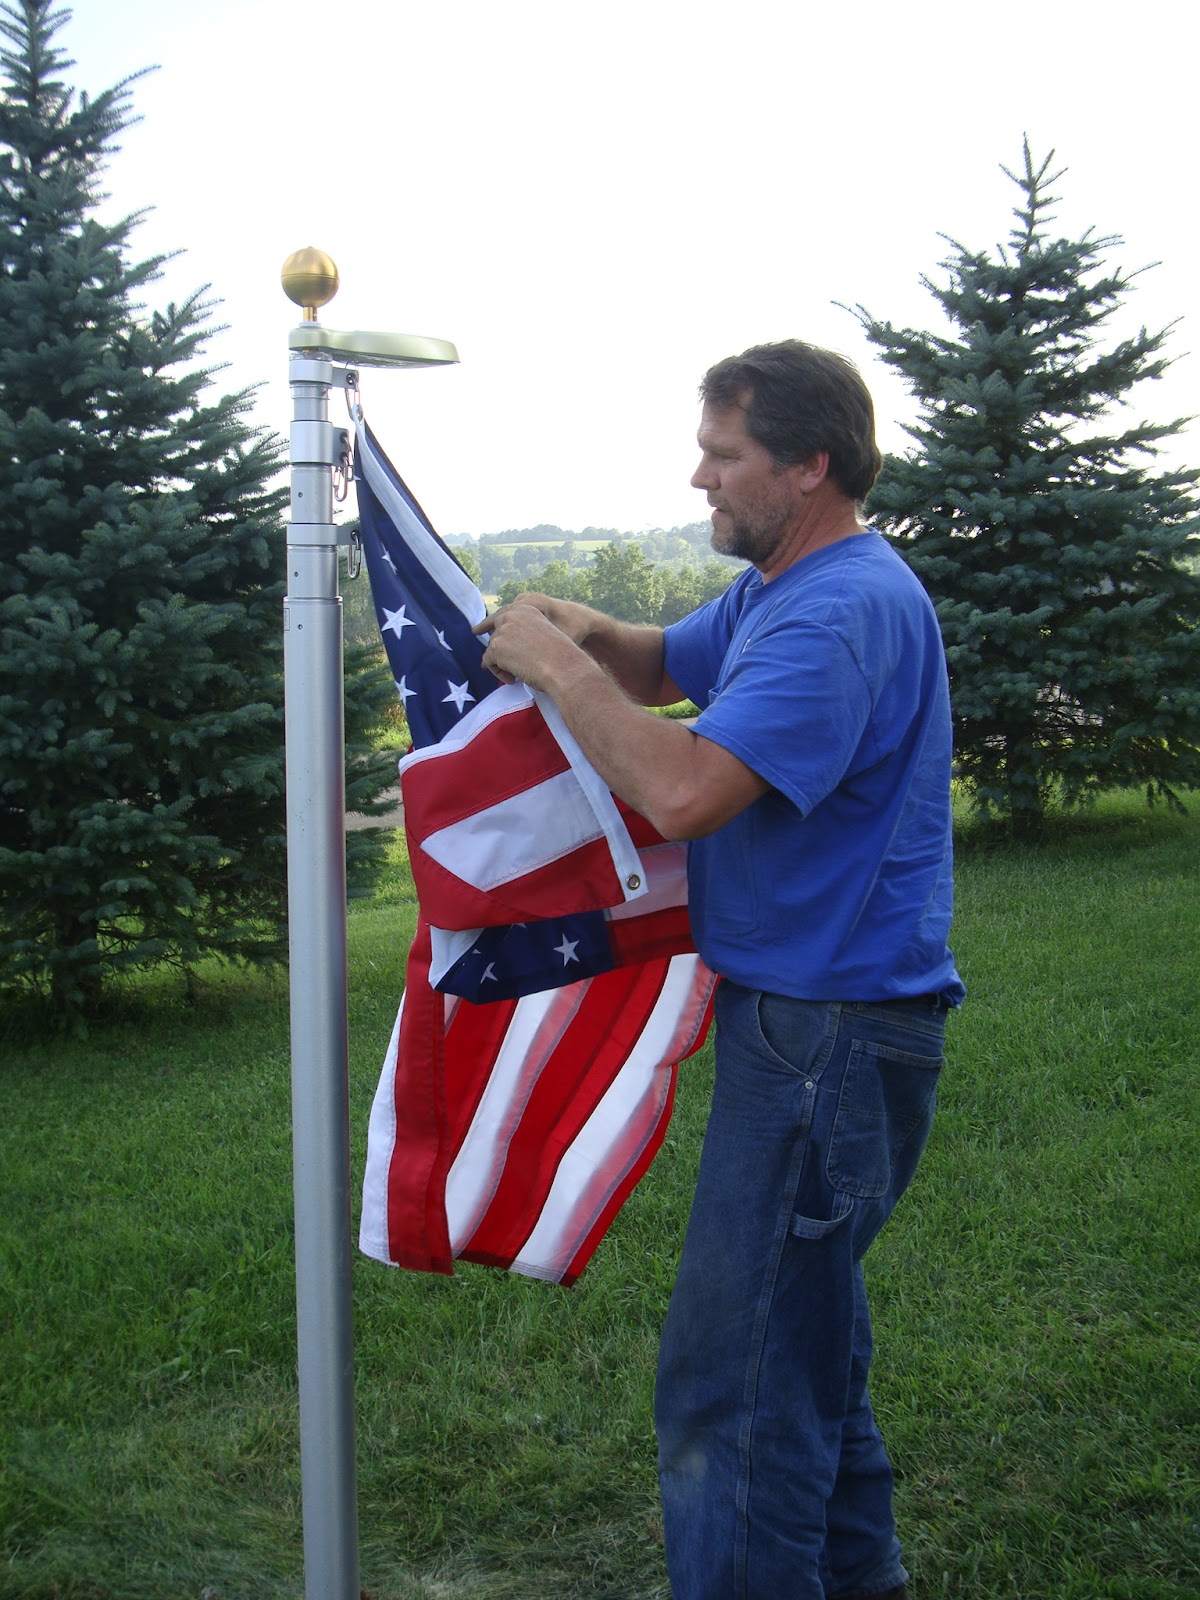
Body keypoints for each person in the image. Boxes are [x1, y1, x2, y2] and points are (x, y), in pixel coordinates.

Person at [476, 340, 964, 1600]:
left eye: (723, 452)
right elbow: (662, 661)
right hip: (812, 1026)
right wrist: (586, 628)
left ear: (808, 466)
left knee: (729, 1389)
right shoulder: (783, 590)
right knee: (802, 1357)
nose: (698, 476)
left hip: (830, 1039)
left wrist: (555, 666)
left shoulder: (840, 611)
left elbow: (688, 789)